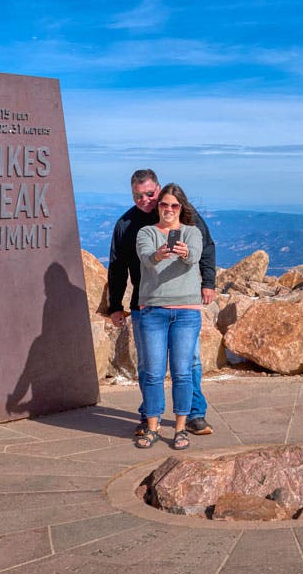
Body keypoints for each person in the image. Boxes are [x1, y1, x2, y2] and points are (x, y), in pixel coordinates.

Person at [106, 170, 217, 437]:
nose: (144, 200)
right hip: (145, 302)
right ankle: (149, 415)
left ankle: (195, 414)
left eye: (149, 194)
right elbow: (117, 266)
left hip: (183, 302)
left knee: (189, 362)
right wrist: (115, 305)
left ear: (158, 189)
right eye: (137, 196)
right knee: (148, 365)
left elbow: (206, 247)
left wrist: (208, 282)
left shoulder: (183, 215)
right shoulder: (127, 224)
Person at [131, 183, 204, 448]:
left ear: (181, 208)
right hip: (153, 310)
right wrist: (160, 254)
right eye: (164, 204)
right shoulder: (146, 232)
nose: (169, 210)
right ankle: (152, 427)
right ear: (158, 207)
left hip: (186, 312)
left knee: (183, 372)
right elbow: (146, 258)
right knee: (153, 372)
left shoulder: (192, 232)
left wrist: (185, 253)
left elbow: (195, 256)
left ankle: (181, 429)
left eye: (174, 205)